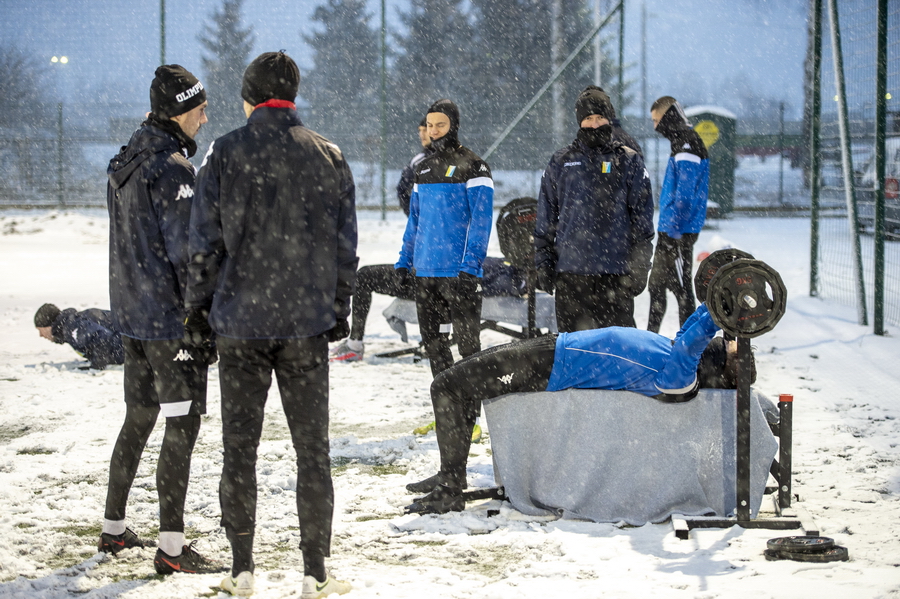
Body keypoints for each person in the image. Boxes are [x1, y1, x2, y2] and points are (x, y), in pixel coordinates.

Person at [185, 51, 356, 598]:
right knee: (313, 449)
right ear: (293, 94)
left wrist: (197, 312)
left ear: (250, 97)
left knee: (240, 447)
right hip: (304, 322)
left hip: (240, 323)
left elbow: (204, 244)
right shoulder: (327, 154)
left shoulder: (224, 152)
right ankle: (315, 570)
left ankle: (241, 567)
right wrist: (338, 308)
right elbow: (343, 247)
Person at [404, 303, 756, 514]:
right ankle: (452, 476)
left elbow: (694, 340)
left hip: (552, 366)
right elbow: (690, 332)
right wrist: (715, 300)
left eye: (736, 351)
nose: (732, 343)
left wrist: (714, 313)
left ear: (728, 370)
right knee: (456, 382)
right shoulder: (678, 355)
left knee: (447, 385)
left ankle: (450, 487)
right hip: (557, 348)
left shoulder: (681, 381)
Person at [101, 64, 220, 575]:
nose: (204, 117)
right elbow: (185, 254)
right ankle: (171, 549)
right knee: (181, 425)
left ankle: (113, 529)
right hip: (168, 325)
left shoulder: (123, 161)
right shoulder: (171, 169)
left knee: (139, 418)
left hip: (131, 316)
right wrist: (201, 316)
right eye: (198, 110)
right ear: (176, 112)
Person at [534, 86, 654, 333]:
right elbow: (545, 218)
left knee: (617, 353)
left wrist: (640, 267)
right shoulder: (562, 161)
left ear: (609, 119)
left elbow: (642, 221)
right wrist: (543, 262)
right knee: (575, 354)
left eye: (600, 117)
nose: (595, 124)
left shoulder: (628, 160)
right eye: (588, 118)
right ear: (580, 121)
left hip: (615, 275)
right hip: (570, 274)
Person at [394, 99, 494, 376]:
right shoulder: (423, 169)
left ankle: (470, 418)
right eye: (430, 125)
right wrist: (404, 261)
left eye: (441, 124)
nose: (434, 130)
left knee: (468, 351)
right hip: (426, 275)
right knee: (435, 347)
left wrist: (470, 267)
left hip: (459, 276)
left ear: (454, 125)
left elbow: (481, 222)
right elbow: (416, 220)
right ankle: (447, 419)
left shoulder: (475, 166)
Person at [330, 117, 432, 363]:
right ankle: (355, 343)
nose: (424, 134)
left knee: (368, 276)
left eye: (430, 129)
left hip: (439, 276)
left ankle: (434, 344)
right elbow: (404, 192)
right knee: (364, 276)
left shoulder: (449, 166)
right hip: (420, 270)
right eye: (423, 129)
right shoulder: (421, 167)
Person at [646, 96, 710, 333]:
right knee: (656, 286)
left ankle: (688, 345)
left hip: (678, 232)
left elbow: (684, 197)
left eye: (656, 120)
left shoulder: (686, 144)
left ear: (668, 116)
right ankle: (650, 339)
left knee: (682, 290)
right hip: (670, 230)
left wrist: (673, 231)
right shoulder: (682, 141)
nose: (655, 126)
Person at [34, 303, 124, 369]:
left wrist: (97, 365)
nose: (41, 335)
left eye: (41, 330)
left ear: (49, 326)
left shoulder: (73, 326)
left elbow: (103, 337)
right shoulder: (70, 324)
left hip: (132, 346)